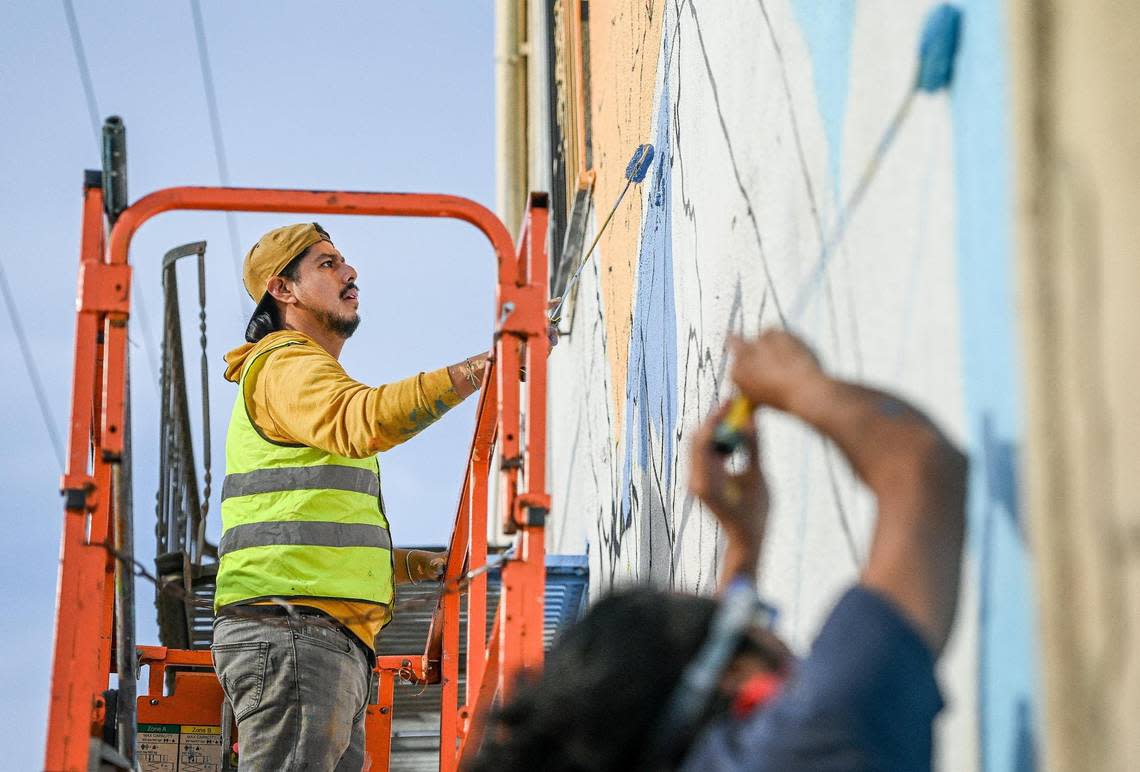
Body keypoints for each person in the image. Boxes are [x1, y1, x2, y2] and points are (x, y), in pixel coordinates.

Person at [467, 329, 968, 771]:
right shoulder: (803, 744)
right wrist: (801, 387)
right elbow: (923, 468)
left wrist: (745, 544)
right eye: (757, 623)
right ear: (740, 681)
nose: (774, 633)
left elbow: (710, 670)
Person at [211, 222, 491, 770]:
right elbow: (362, 419)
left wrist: (409, 566)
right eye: (327, 263)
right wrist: (477, 371)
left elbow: (309, 539)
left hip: (311, 635)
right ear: (283, 289)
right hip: (296, 635)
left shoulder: (296, 375)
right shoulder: (286, 364)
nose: (350, 270)